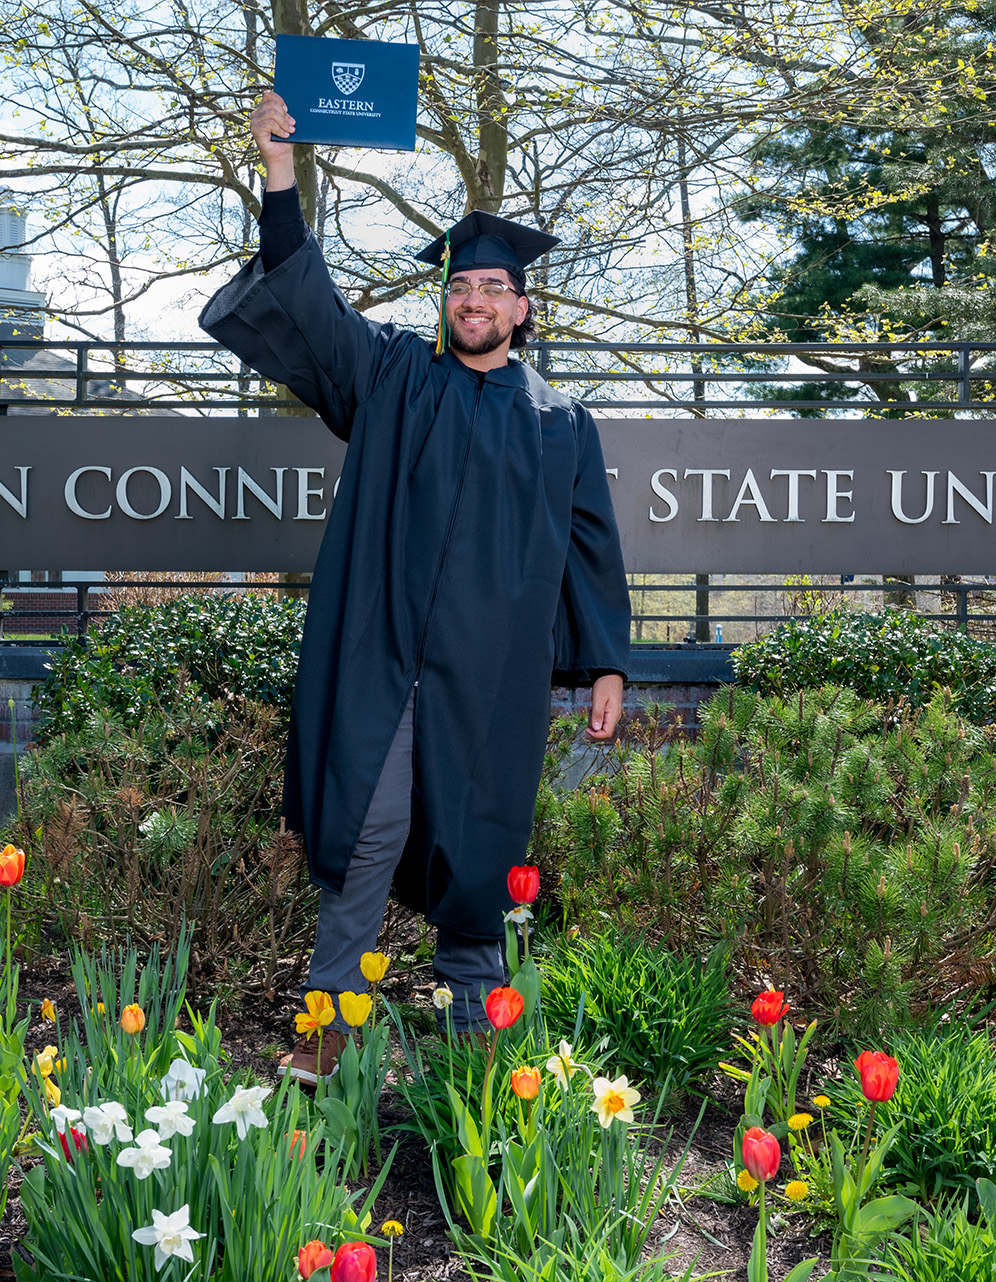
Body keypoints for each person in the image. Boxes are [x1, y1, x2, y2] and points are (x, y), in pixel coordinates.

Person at [201, 90, 630, 1082]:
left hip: (491, 678)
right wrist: (278, 174)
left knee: (480, 849)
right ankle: (332, 1032)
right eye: (459, 287)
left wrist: (604, 663)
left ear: (523, 306)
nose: (473, 301)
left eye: (491, 288)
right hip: (387, 660)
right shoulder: (395, 376)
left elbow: (591, 550)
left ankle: (476, 1043)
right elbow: (309, 303)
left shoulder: (560, 422)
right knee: (364, 830)